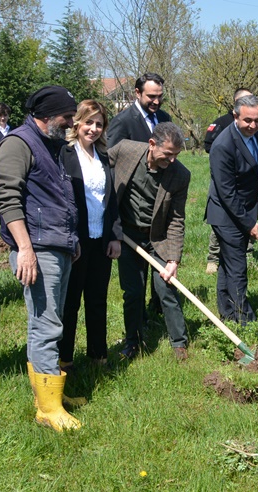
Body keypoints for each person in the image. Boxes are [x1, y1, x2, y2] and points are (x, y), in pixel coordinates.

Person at [0, 85, 83, 431]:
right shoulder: (18, 143)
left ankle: (48, 393)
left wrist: (71, 238)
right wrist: (25, 249)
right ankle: (48, 408)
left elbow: (60, 195)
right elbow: (8, 198)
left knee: (52, 321)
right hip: (37, 249)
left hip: (57, 245)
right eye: (66, 117)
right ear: (46, 115)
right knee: (45, 326)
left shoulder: (52, 144)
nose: (70, 122)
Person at [111, 123, 191, 361]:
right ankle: (133, 342)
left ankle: (179, 343)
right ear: (152, 144)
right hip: (126, 235)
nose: (172, 159)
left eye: (176, 154)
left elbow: (177, 219)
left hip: (158, 238)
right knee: (133, 292)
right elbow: (99, 166)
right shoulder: (125, 150)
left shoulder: (180, 175)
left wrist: (173, 259)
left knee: (166, 288)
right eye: (168, 154)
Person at [59, 100, 121, 371]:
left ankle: (98, 355)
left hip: (101, 240)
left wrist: (115, 236)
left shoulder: (105, 157)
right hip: (76, 241)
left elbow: (112, 200)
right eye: (88, 122)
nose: (93, 129)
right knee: (70, 302)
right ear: (77, 123)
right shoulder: (64, 154)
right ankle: (65, 359)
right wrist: (68, 239)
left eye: (99, 124)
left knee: (97, 299)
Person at [206, 95, 258, 324]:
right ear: (235, 116)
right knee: (237, 266)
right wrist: (248, 223)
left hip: (244, 207)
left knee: (228, 263)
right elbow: (226, 193)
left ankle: (227, 312)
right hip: (226, 214)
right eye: (248, 120)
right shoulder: (223, 146)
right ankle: (245, 320)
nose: (253, 125)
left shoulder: (256, 134)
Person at [107, 73, 172, 148]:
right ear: (138, 93)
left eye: (160, 96)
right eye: (152, 96)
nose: (156, 102)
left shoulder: (165, 118)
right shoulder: (122, 121)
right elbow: (112, 154)